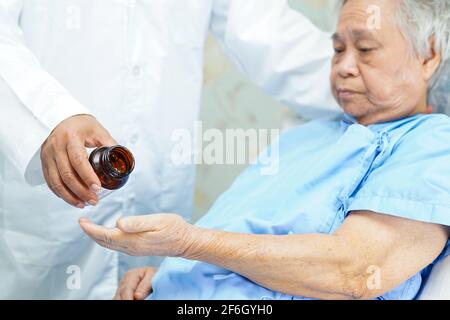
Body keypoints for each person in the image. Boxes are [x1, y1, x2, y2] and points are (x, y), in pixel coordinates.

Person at [80, 0, 450, 300]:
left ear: (428, 55)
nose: (344, 67)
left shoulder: (434, 145)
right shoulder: (305, 138)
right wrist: (167, 274)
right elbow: (233, 241)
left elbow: (354, 271)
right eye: (337, 49)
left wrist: (186, 245)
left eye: (365, 49)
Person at [0, 0, 340, 299]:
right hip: (44, 219)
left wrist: (377, 72)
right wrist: (52, 115)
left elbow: (270, 34)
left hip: (156, 212)